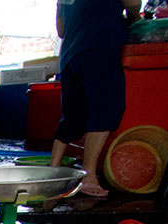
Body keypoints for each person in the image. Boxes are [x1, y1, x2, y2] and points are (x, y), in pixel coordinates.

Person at [48, 0, 142, 198]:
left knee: (72, 116)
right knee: (105, 109)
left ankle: (53, 170)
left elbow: (61, 30)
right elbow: (133, 2)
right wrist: (134, 15)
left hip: (70, 55)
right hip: (98, 48)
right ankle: (88, 175)